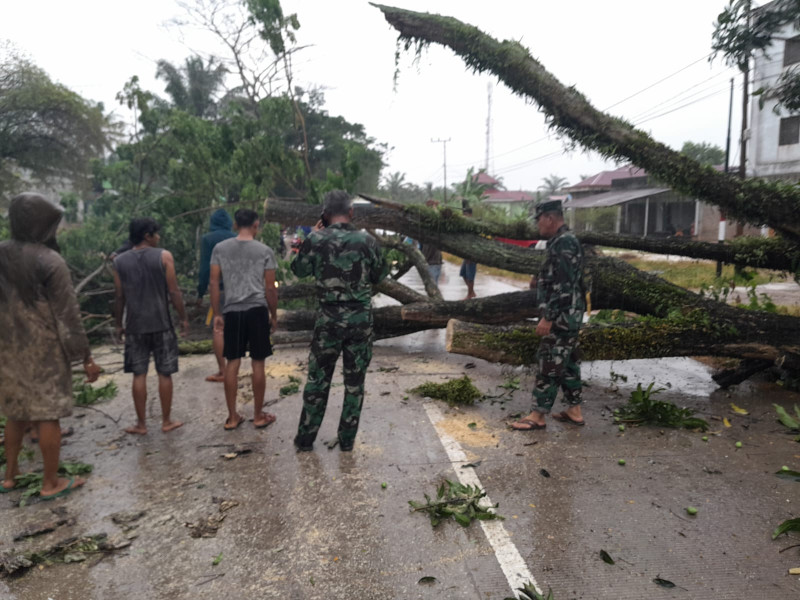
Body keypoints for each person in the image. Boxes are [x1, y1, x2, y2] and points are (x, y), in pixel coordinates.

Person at [0, 193, 101, 499]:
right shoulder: (50, 260)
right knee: (48, 414)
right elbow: (68, 315)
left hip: (7, 345)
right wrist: (85, 356)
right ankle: (50, 483)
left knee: (15, 412)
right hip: (43, 348)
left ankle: (10, 476)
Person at [292, 190, 388, 452]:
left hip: (328, 321)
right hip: (360, 321)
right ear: (351, 212)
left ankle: (305, 439)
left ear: (324, 214)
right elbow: (380, 275)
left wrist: (312, 237)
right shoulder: (367, 240)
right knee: (354, 384)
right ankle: (347, 441)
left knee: (318, 381)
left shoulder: (316, 239)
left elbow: (299, 269)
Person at [512, 200, 587, 431]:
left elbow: (564, 286)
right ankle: (574, 410)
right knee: (568, 363)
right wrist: (540, 279)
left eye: (539, 220)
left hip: (561, 316)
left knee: (550, 361)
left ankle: (537, 416)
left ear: (550, 218)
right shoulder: (563, 241)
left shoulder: (563, 242)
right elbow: (564, 277)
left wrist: (548, 317)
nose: (538, 225)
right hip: (569, 314)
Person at [113, 218, 188, 435]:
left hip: (135, 325)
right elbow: (174, 292)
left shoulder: (119, 262)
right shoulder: (164, 257)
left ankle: (141, 424)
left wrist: (118, 324)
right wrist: (183, 318)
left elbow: (119, 296)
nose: (159, 237)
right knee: (165, 373)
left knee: (139, 374)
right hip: (162, 323)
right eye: (156, 233)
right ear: (147, 236)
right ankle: (166, 421)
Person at [209, 208, 278, 431]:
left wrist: (217, 313)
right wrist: (273, 314)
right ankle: (258, 415)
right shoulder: (264, 251)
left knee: (232, 362)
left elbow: (214, 282)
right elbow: (270, 288)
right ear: (256, 225)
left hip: (232, 311)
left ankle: (232, 417)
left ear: (235, 225)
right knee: (258, 362)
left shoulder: (220, 249)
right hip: (257, 310)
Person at [196, 208, 236, 383]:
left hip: (219, 289)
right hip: (238, 290)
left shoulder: (208, 239)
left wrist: (200, 292)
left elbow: (205, 268)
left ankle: (223, 371)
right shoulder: (236, 238)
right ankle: (234, 368)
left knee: (219, 328)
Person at [459, 207, 477, 299]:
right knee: (463, 273)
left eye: (466, 214)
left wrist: (470, 255)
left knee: (470, 275)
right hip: (466, 254)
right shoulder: (466, 225)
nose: (464, 216)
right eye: (463, 214)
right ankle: (472, 292)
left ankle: (469, 295)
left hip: (472, 254)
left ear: (470, 214)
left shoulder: (473, 225)